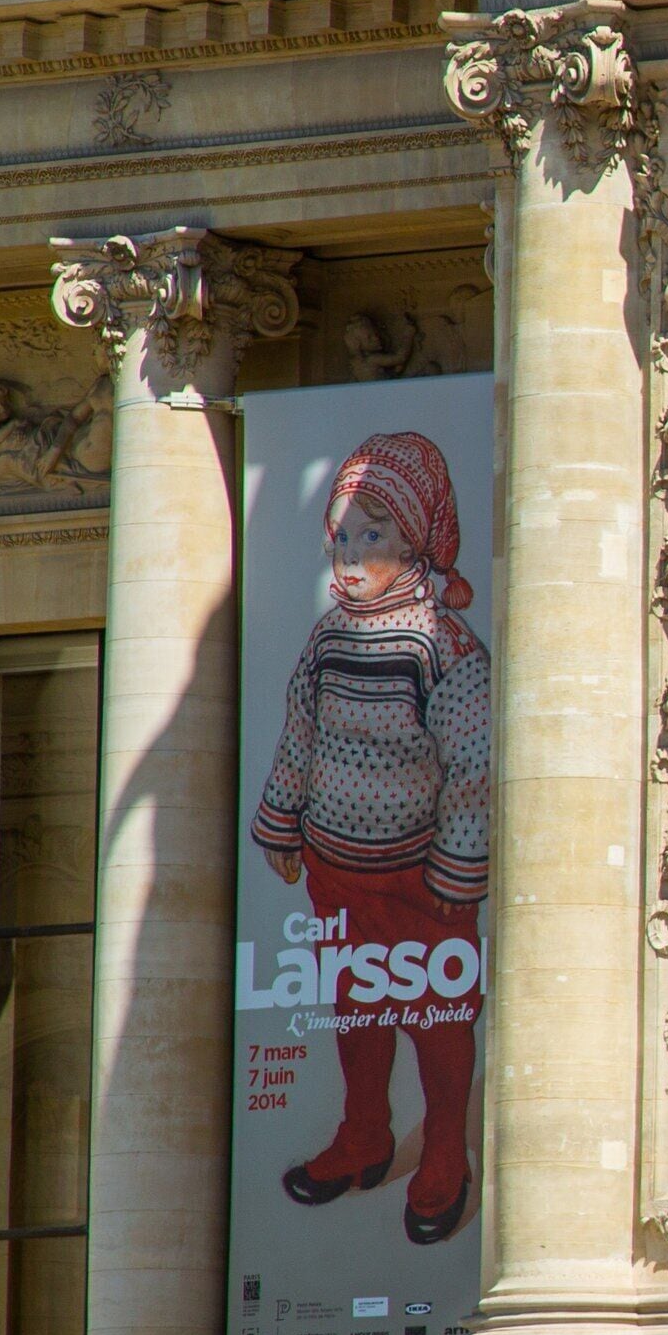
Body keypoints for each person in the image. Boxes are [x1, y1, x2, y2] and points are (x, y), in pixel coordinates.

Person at [252, 430, 492, 1245]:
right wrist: (282, 822)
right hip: (336, 868)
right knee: (353, 1006)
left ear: (418, 540)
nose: (352, 554)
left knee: (437, 1013)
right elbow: (298, 731)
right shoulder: (327, 637)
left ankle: (445, 1156)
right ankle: (363, 1135)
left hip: (418, 880)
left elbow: (472, 768)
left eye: (375, 534)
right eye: (343, 536)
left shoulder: (443, 644)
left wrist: (458, 871)